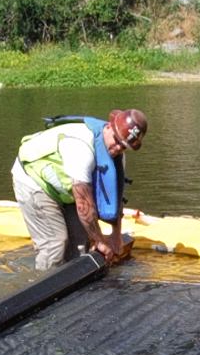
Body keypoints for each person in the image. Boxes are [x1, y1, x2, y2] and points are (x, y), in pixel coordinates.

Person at [11, 108, 148, 269]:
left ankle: (75, 283)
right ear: (109, 126)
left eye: (124, 146)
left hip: (65, 187)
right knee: (55, 242)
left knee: (81, 242)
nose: (118, 148)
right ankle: (43, 283)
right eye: (116, 140)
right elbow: (83, 205)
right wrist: (100, 241)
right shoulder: (81, 148)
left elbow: (115, 197)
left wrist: (116, 235)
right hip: (34, 179)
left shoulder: (118, 157)